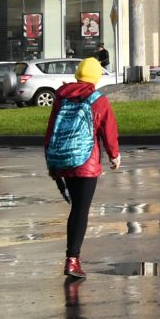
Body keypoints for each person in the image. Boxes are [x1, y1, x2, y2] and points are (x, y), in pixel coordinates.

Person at [44, 57, 120, 279]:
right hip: (86, 162)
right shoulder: (98, 99)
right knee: (80, 210)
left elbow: (52, 128)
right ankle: (72, 259)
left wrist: (50, 157)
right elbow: (109, 131)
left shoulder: (61, 96)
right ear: (95, 78)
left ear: (78, 74)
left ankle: (73, 257)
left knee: (76, 207)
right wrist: (114, 156)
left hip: (63, 158)